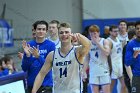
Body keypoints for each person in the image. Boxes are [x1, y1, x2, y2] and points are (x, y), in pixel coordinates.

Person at [32, 22, 91, 93]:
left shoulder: (77, 51)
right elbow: (41, 74)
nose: (64, 35)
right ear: (58, 35)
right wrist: (34, 91)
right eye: (61, 32)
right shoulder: (52, 55)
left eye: (67, 32)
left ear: (71, 34)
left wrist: (79, 36)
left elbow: (88, 45)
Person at [21, 20, 55, 93]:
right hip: (31, 84)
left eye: (43, 29)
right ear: (35, 31)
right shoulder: (29, 45)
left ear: (46, 31)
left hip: (45, 84)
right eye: (39, 29)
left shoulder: (51, 45)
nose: (41, 31)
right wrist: (27, 56)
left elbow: (50, 66)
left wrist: (38, 57)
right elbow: (24, 68)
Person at [83, 25, 111, 93]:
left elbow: (107, 53)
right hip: (93, 71)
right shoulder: (88, 44)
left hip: (104, 70)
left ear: (98, 33)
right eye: (91, 33)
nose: (93, 35)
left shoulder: (105, 41)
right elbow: (87, 59)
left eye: (95, 33)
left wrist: (97, 43)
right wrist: (83, 71)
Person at [108, 25, 128, 93]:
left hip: (120, 65)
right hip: (113, 66)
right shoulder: (108, 41)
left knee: (124, 85)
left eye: (117, 31)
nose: (116, 33)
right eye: (114, 31)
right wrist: (110, 67)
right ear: (110, 32)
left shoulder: (118, 39)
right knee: (111, 86)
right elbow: (107, 55)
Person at [125, 21, 140, 93]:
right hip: (137, 77)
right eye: (137, 28)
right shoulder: (131, 44)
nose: (139, 30)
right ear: (135, 30)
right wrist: (134, 57)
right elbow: (127, 63)